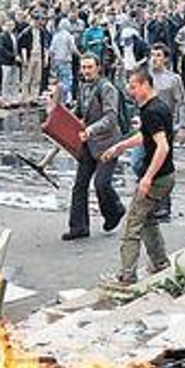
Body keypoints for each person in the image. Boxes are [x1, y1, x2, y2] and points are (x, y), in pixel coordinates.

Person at [101, 66, 176, 285]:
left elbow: (162, 147)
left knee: (132, 225)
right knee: (148, 220)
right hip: (166, 175)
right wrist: (120, 146)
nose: (130, 91)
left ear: (145, 85)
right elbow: (147, 137)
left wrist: (147, 178)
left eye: (133, 87)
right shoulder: (156, 106)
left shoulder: (151, 111)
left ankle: (126, 275)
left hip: (158, 178)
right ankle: (160, 262)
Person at [63, 53, 126, 241]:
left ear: (98, 68)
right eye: (83, 67)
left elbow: (111, 118)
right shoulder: (83, 86)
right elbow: (81, 111)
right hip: (88, 144)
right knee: (80, 185)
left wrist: (90, 130)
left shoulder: (107, 88)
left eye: (89, 67)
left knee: (101, 184)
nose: (86, 71)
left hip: (108, 143)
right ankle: (79, 227)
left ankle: (115, 211)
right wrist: (63, 118)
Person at [18, 13, 51, 102]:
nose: (37, 22)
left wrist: (45, 58)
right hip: (30, 55)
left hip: (39, 55)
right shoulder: (26, 32)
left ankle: (34, 97)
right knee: (27, 78)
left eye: (38, 20)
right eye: (35, 20)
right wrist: (24, 59)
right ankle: (25, 97)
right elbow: (23, 47)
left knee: (37, 78)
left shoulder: (42, 31)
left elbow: (45, 45)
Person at [50, 19, 80, 106]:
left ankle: (60, 99)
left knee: (60, 81)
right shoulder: (69, 36)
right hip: (66, 61)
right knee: (67, 80)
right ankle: (67, 100)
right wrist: (81, 56)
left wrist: (53, 61)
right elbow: (73, 49)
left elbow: (52, 50)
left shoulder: (56, 36)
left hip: (57, 61)